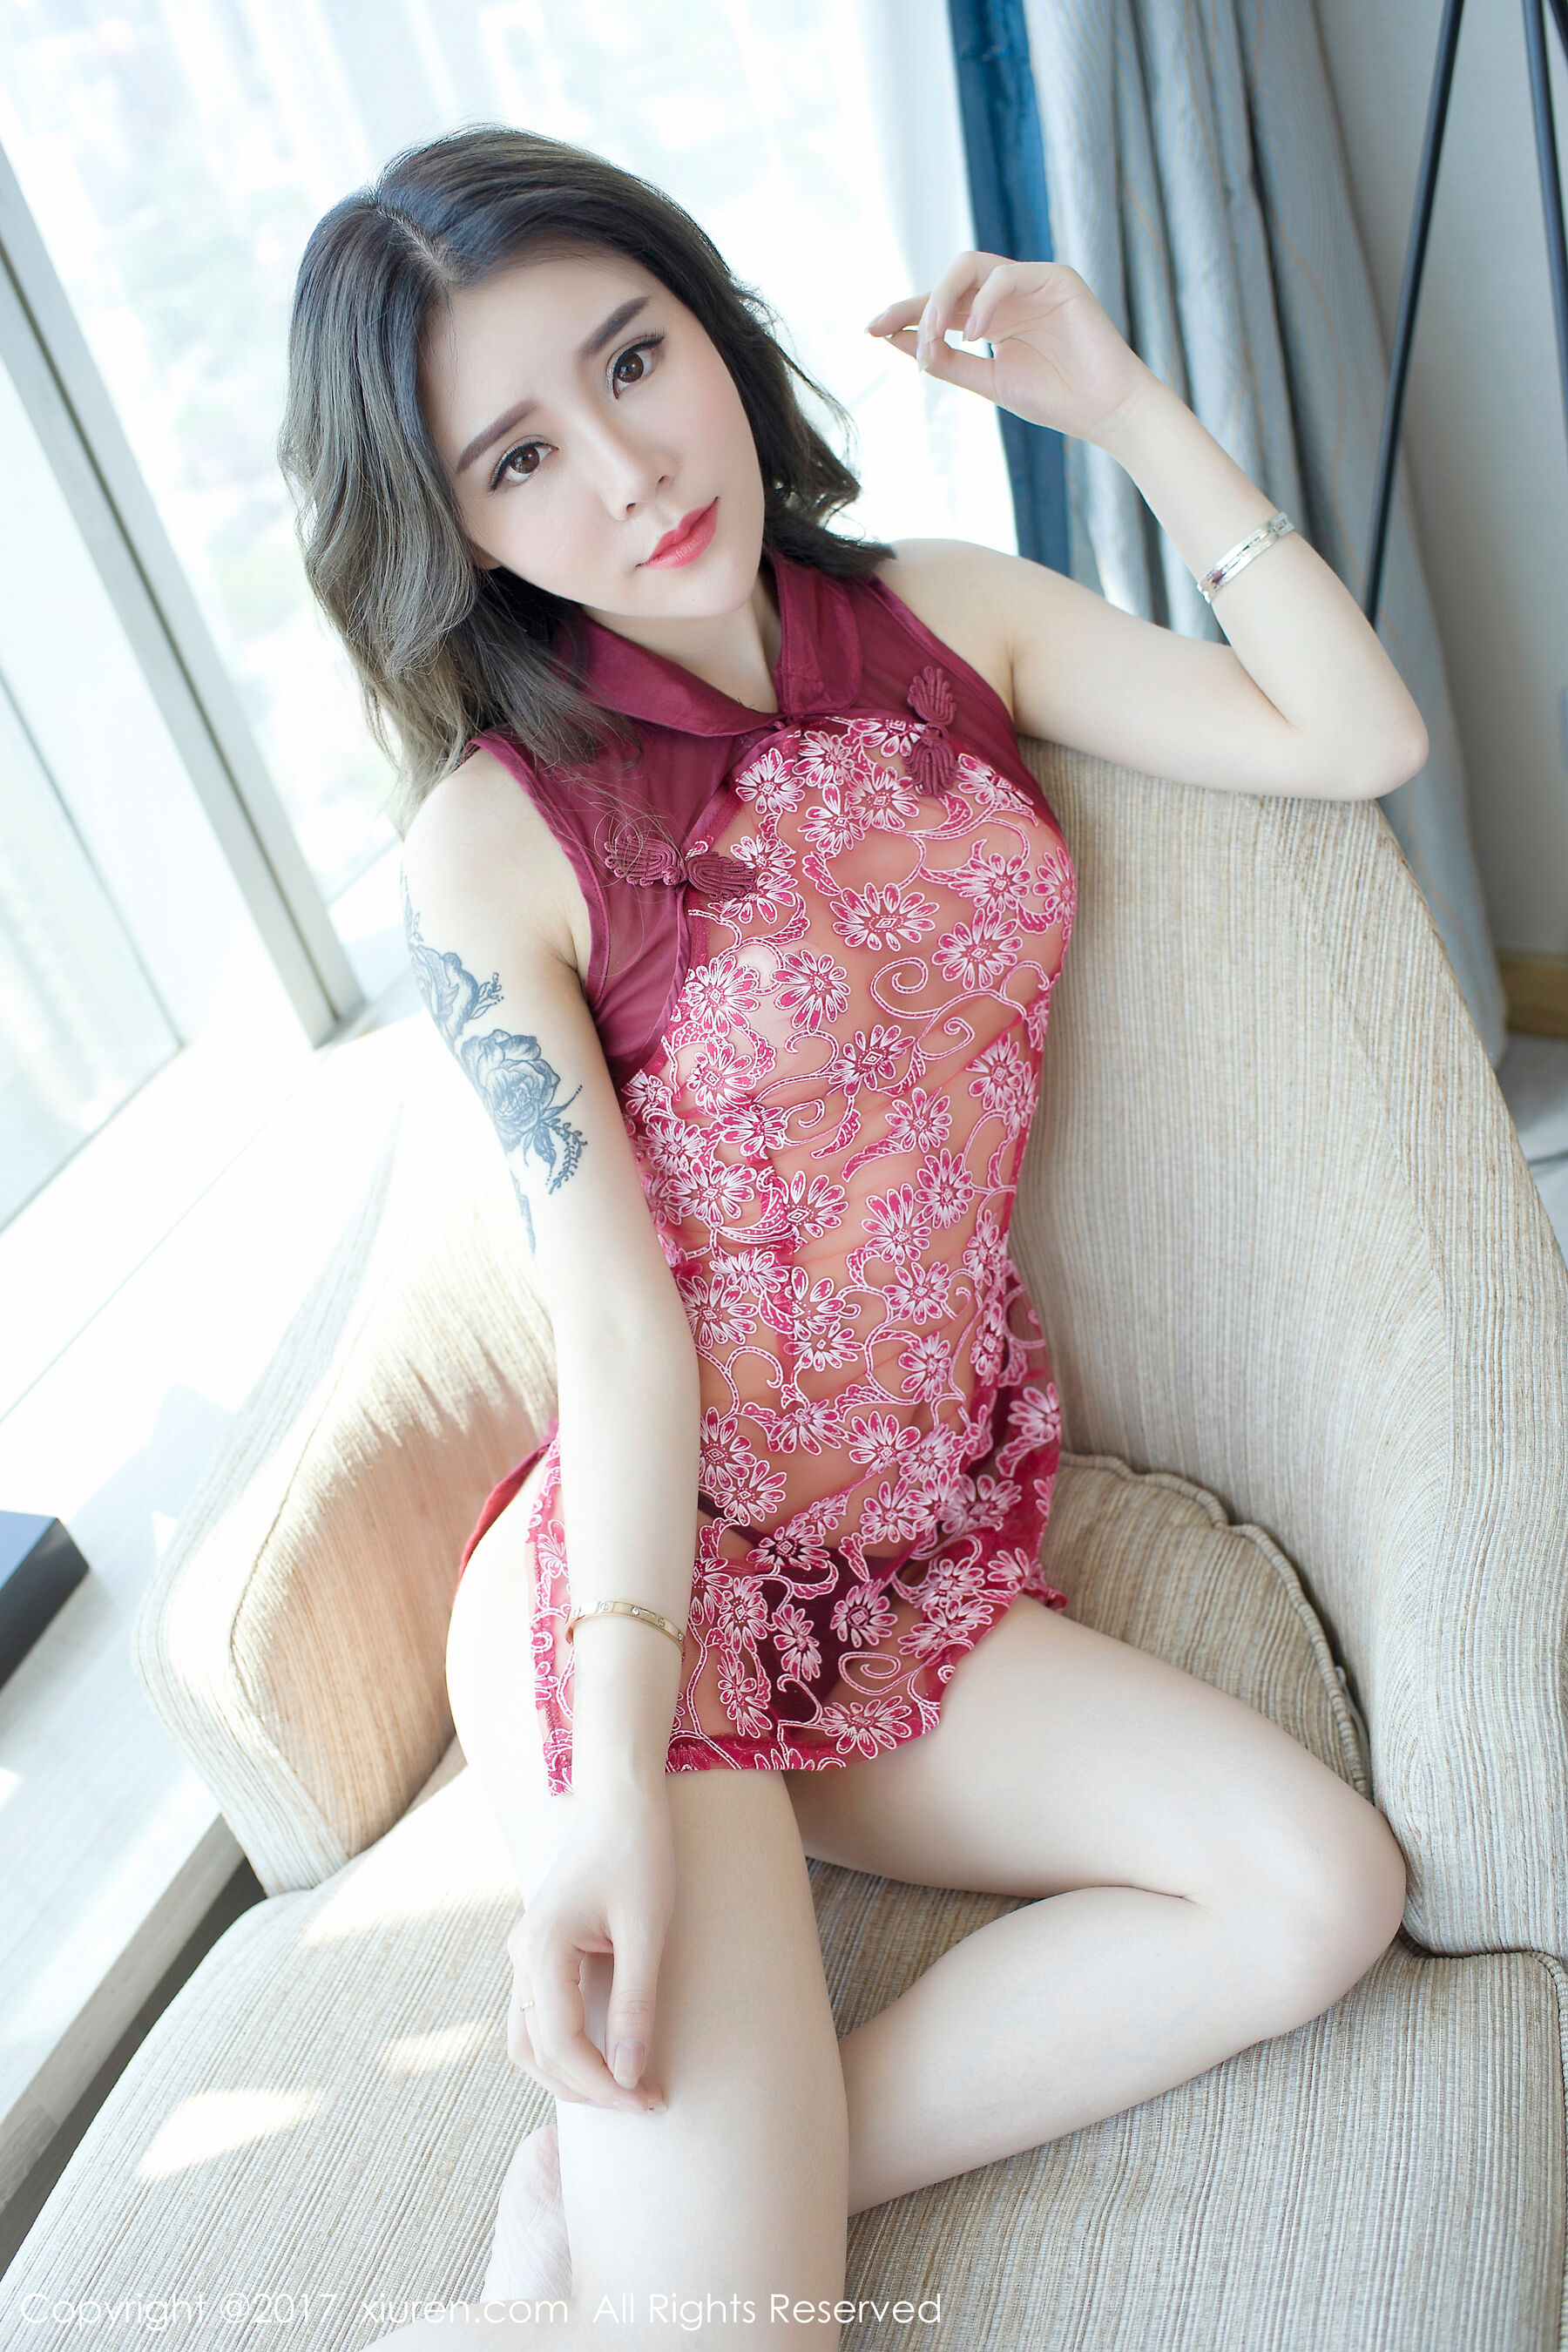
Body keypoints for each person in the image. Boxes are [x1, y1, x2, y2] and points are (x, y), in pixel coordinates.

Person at [279, 123, 1421, 2350]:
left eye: (634, 359)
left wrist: (1121, 404)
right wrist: (610, 1798)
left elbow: (1351, 733)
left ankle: (625, 2219)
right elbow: (616, 1336)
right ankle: (685, 2235)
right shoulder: (496, 846)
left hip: (911, 1562)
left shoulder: (944, 617)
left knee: (1317, 1892)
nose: (627, 470)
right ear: (456, 530)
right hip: (646, 1586)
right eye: (521, 458)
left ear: (712, 326)